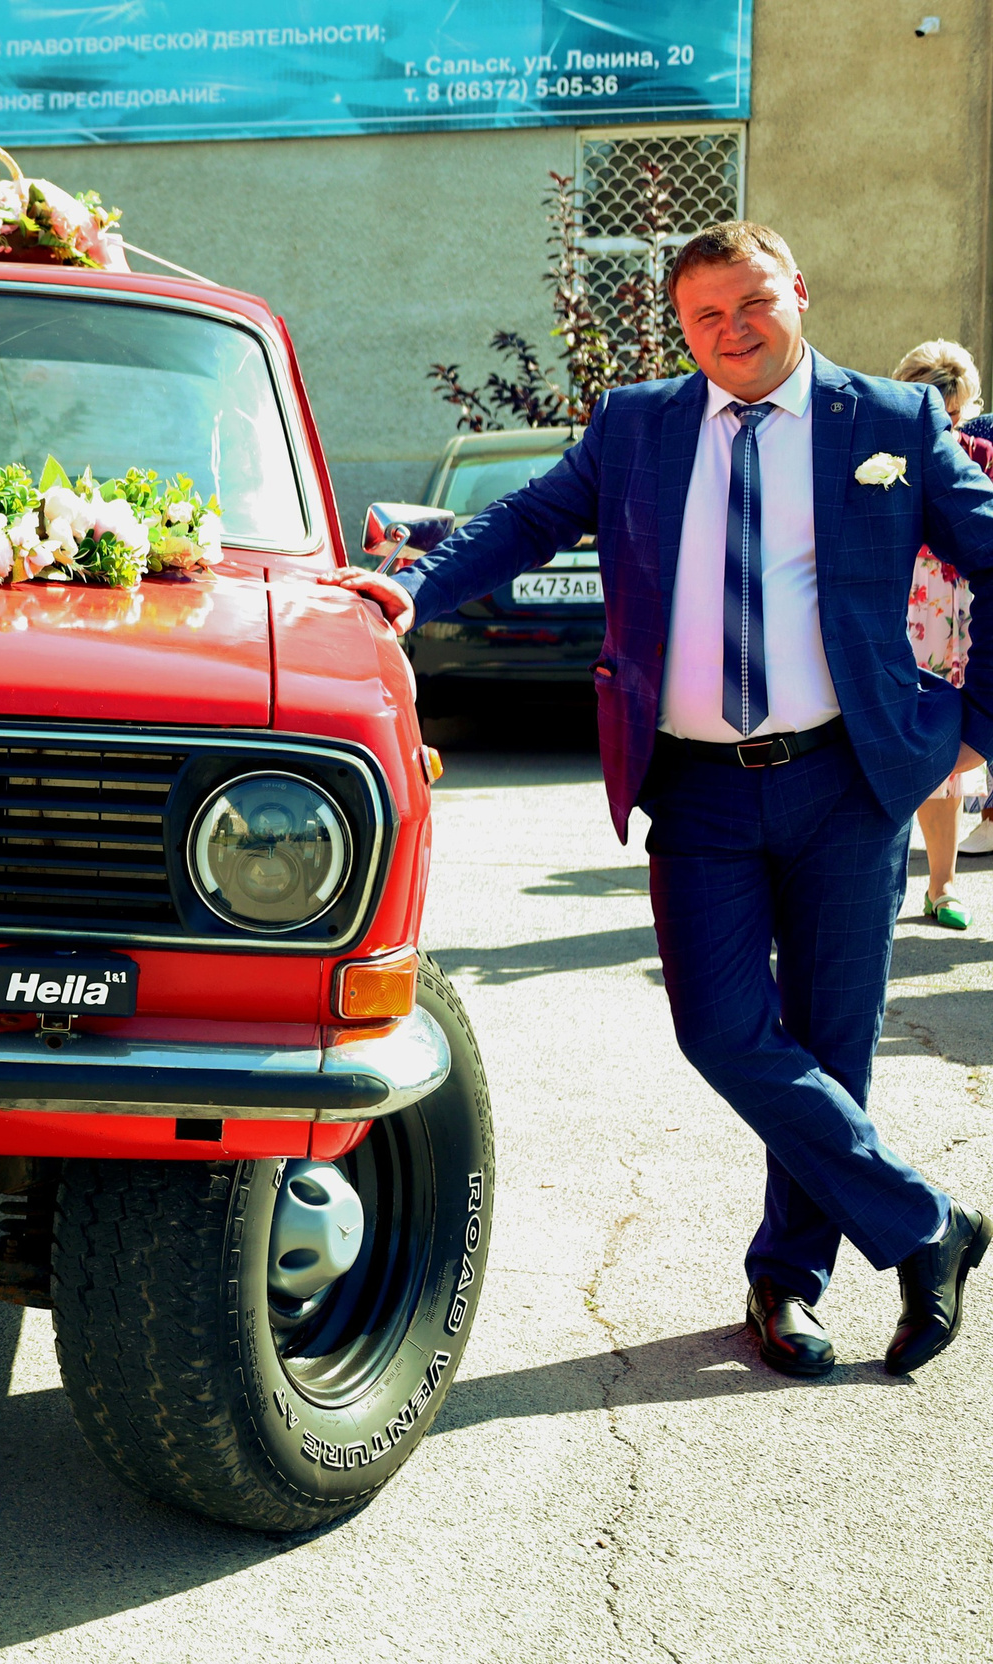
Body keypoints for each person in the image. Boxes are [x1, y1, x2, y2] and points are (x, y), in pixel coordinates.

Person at [324, 223, 993, 1378]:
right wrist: (409, 586)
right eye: (704, 317)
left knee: (831, 1051)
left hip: (849, 779)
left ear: (797, 291)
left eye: (751, 304)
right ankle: (929, 1222)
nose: (732, 332)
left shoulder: (888, 422)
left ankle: (787, 1284)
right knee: (721, 1029)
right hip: (696, 787)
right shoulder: (639, 424)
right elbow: (527, 519)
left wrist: (966, 731)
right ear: (679, 327)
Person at [892, 340, 993, 920]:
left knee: (946, 745)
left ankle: (942, 885)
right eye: (938, 414)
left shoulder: (979, 452)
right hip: (901, 607)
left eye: (956, 415)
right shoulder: (882, 446)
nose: (948, 428)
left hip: (957, 613)